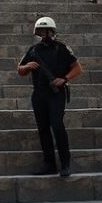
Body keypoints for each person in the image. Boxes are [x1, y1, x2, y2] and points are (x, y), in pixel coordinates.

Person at [17, 17, 83, 177]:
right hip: (39, 93)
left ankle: (65, 163)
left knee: (57, 125)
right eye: (40, 32)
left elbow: (77, 68)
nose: (43, 35)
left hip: (56, 92)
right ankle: (49, 164)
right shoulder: (33, 50)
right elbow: (20, 69)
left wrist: (65, 78)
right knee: (43, 128)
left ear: (52, 31)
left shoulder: (62, 48)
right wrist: (27, 67)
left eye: (45, 31)